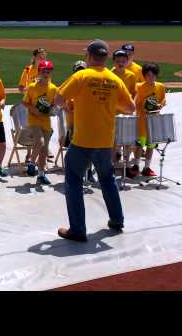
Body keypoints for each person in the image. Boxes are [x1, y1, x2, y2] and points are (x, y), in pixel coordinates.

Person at [55, 39, 135, 242]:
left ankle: (78, 229)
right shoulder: (114, 79)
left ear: (89, 56)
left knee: (73, 181)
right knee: (107, 180)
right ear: (106, 57)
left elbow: (58, 99)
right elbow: (130, 108)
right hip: (105, 140)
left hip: (82, 140)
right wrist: (108, 107)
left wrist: (72, 103)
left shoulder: (82, 75)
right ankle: (117, 221)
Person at [127, 63, 166, 179]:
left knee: (151, 145)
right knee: (140, 144)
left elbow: (163, 99)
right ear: (144, 76)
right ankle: (136, 165)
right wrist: (143, 104)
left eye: (153, 75)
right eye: (148, 75)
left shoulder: (160, 86)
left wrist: (160, 105)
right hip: (142, 122)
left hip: (154, 121)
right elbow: (135, 101)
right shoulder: (139, 86)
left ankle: (147, 167)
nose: (151, 77)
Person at [22, 60, 57, 185]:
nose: (46, 73)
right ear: (39, 72)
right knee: (40, 142)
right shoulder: (32, 87)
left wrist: (53, 109)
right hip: (34, 119)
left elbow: (54, 104)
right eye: (43, 71)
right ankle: (31, 163)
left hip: (46, 121)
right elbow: (25, 102)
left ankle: (41, 175)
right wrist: (34, 109)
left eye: (48, 71)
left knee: (44, 151)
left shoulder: (53, 88)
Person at [111, 49, 137, 164]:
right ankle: (112, 162)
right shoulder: (110, 74)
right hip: (113, 112)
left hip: (126, 112)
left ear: (127, 62)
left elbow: (134, 92)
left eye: (123, 61)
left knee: (127, 138)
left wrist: (132, 105)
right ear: (113, 62)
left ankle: (126, 163)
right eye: (118, 61)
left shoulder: (131, 76)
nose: (120, 63)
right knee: (113, 139)